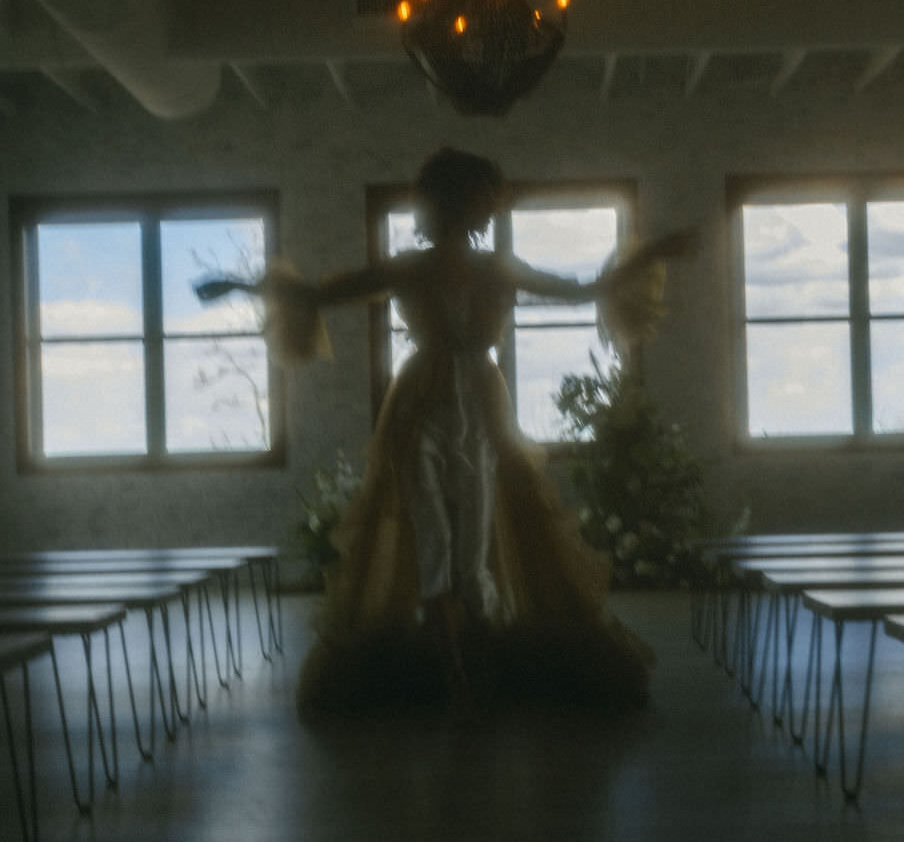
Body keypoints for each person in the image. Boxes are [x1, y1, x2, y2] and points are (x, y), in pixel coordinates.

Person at [196, 147, 699, 719]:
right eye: (479, 198)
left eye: (489, 200)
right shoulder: (410, 266)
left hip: (483, 408)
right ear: (450, 202)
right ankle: (452, 672)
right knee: (433, 537)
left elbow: (583, 290)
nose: (486, 209)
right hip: (420, 408)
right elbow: (318, 295)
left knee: (476, 539)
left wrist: (655, 251)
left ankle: (475, 666)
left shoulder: (498, 268)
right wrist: (240, 285)